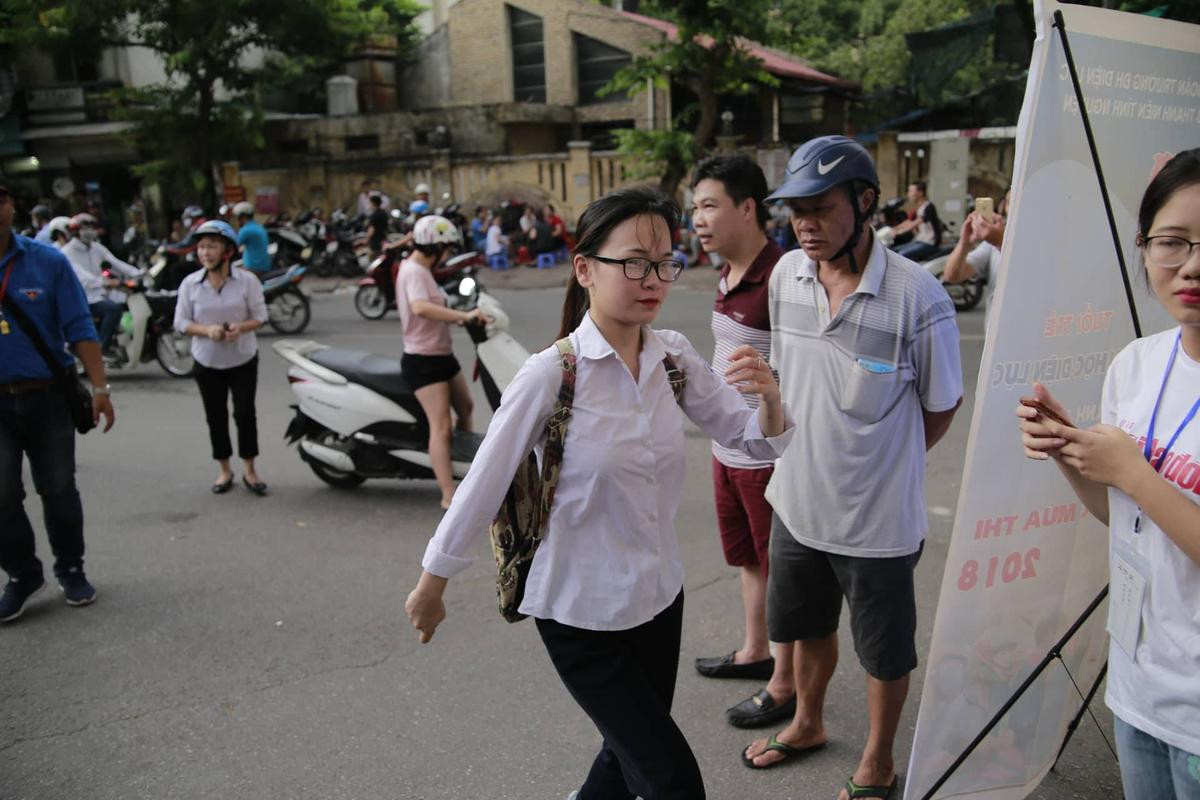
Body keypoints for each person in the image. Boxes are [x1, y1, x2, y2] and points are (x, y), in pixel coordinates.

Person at [404, 186, 794, 800]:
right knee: (671, 781)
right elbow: (487, 476)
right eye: (634, 261)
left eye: (666, 262)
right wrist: (434, 579)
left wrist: (769, 400)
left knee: (624, 756)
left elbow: (749, 441)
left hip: (659, 599)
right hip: (580, 613)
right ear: (585, 268)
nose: (654, 278)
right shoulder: (552, 373)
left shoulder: (674, 359)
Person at [743, 136, 962, 800]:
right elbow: (787, 370)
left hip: (879, 520)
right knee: (806, 628)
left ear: (864, 203)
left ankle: (878, 762)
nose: (804, 223)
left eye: (820, 207)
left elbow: (940, 406)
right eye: (794, 211)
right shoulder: (786, 275)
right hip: (799, 504)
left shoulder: (917, 297)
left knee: (884, 651)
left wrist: (879, 461)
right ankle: (807, 722)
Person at [1016, 149, 1200, 800]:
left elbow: (1140, 487)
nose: (1192, 265)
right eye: (1172, 242)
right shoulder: (1136, 365)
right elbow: (1121, 514)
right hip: (1138, 681)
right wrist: (1072, 454)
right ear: (1144, 248)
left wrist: (1134, 471)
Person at [688, 154, 797, 730]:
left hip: (764, 453)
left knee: (778, 564)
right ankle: (756, 649)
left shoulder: (781, 276)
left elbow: (803, 367)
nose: (698, 221)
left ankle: (787, 680)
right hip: (725, 447)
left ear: (748, 208)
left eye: (709, 206)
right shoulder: (728, 274)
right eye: (695, 209)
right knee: (747, 559)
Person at [0, 176, 115, 623]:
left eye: (2, 197)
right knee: (1, 494)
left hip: (46, 397)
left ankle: (71, 568)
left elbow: (81, 328)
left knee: (59, 488)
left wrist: (101, 389)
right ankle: (23, 575)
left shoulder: (47, 262)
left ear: (11, 206)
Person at [395, 215, 488, 509]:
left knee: (467, 408)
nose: (447, 255)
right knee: (442, 426)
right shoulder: (413, 271)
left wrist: (467, 312)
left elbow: (435, 305)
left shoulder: (422, 270)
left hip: (441, 354)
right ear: (434, 247)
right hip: (422, 360)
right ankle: (449, 494)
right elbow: (420, 307)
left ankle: (464, 468)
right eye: (446, 248)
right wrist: (464, 317)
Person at [173, 220, 269, 495]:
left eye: (211, 246)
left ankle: (250, 469)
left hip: (243, 359)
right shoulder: (190, 284)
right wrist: (206, 331)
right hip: (207, 362)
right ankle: (224, 470)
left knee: (244, 414)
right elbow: (181, 322)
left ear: (227, 251)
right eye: (202, 247)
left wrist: (241, 328)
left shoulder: (247, 281)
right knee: (215, 417)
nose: (205, 252)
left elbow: (261, 316)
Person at [59, 213, 142, 358]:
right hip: (83, 298)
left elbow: (116, 263)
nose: (89, 231)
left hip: (100, 294)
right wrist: (107, 282)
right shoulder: (67, 252)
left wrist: (139, 274)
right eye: (85, 228)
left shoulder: (96, 247)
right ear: (75, 230)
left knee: (125, 304)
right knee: (113, 309)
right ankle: (102, 347)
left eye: (91, 227)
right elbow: (82, 277)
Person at [942, 190, 1010, 320]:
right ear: (1004, 206)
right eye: (1010, 202)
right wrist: (964, 244)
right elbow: (952, 276)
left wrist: (1001, 244)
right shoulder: (990, 244)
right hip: (995, 337)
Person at [891, 180, 944, 262]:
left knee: (902, 254)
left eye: (911, 191)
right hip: (920, 240)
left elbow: (916, 222)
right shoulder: (919, 207)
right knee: (892, 251)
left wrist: (899, 232)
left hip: (929, 243)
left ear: (920, 193)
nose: (909, 194)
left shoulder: (929, 206)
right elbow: (909, 221)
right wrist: (894, 228)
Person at [233, 201, 271, 274]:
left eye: (237, 217)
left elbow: (233, 246)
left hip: (253, 268)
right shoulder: (259, 227)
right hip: (265, 266)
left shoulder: (245, 230)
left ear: (242, 217)